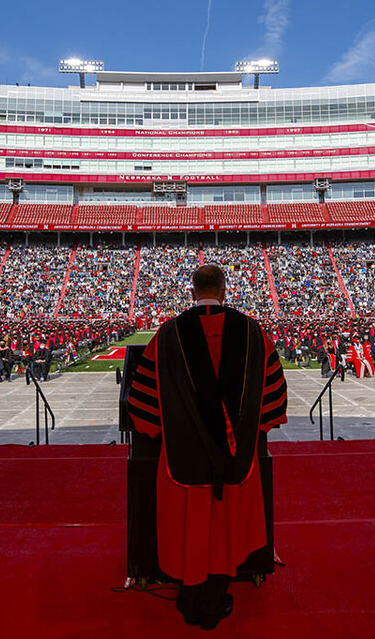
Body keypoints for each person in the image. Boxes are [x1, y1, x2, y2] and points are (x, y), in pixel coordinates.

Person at [127, 264, 288, 630]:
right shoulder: (252, 332)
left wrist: (158, 428)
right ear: (225, 290)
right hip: (237, 458)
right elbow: (273, 398)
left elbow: (143, 401)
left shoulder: (168, 335)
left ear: (192, 292)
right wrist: (251, 428)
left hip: (181, 458)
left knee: (190, 527)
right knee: (224, 525)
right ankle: (217, 597)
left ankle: (190, 596)